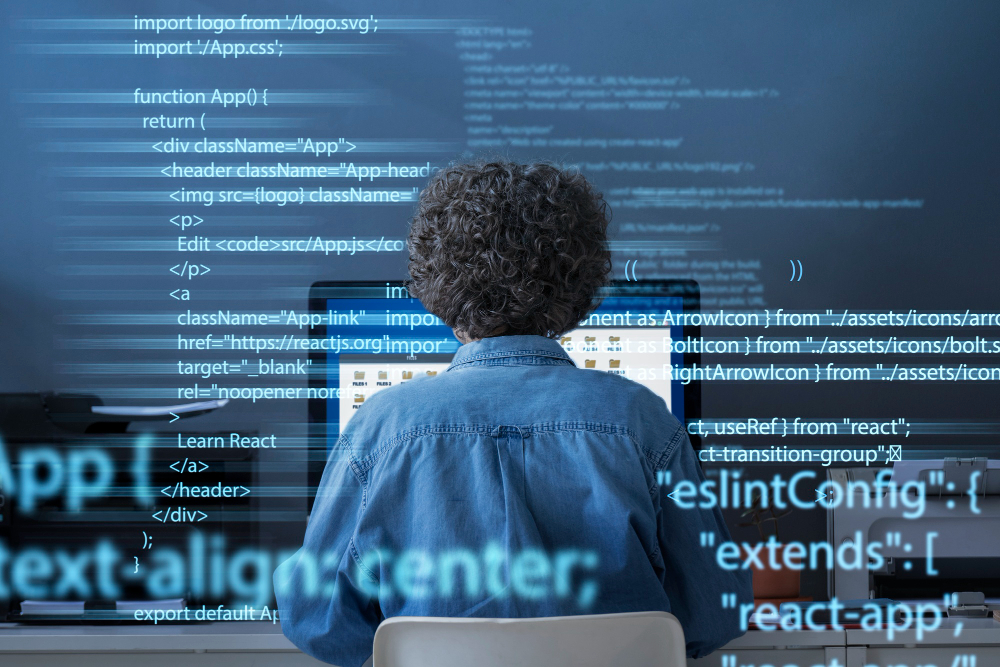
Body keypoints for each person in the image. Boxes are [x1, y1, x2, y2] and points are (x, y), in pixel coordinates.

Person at [274, 159, 752, 666]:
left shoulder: (381, 427)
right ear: (577, 281)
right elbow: (715, 613)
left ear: (439, 284)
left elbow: (321, 625)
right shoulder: (642, 420)